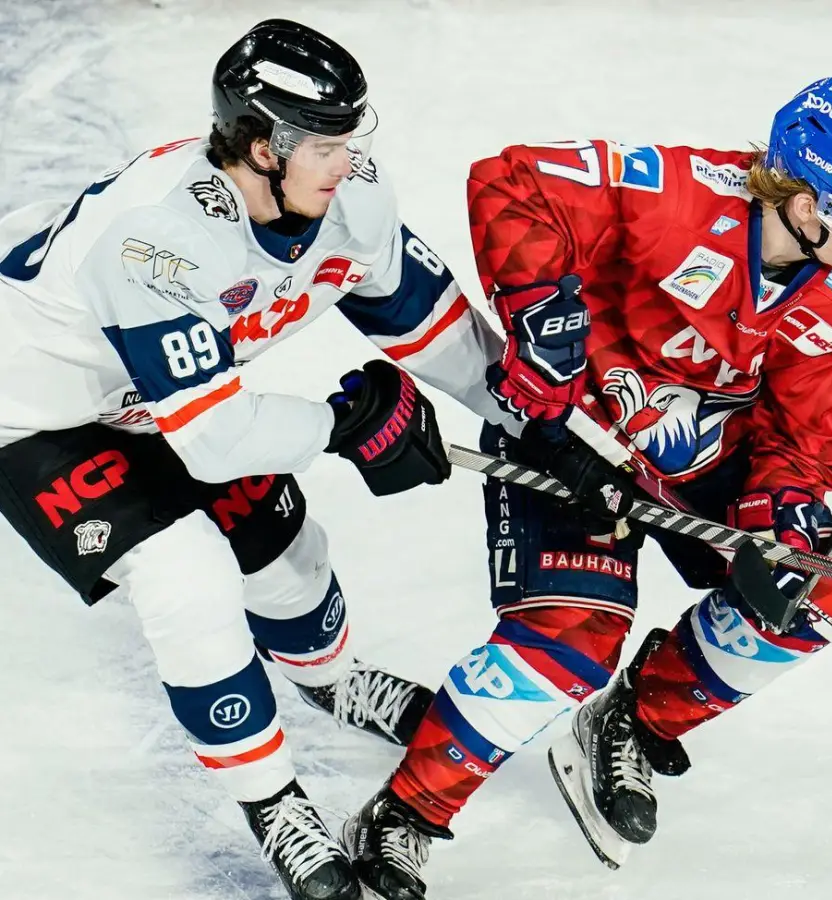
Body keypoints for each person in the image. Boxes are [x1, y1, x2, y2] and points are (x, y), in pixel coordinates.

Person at [342, 77, 832, 898]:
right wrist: (543, 316)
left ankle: (634, 721)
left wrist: (784, 515)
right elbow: (511, 181)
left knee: (811, 595)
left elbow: (805, 446)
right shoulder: (676, 195)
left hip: (698, 472)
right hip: (568, 441)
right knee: (567, 643)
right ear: (803, 201)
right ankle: (401, 817)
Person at [0, 20, 514, 900]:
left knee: (287, 557)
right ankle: (274, 803)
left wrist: (543, 426)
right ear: (255, 144)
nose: (344, 161)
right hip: (39, 419)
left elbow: (430, 328)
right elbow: (215, 440)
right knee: (189, 575)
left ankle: (335, 684)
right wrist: (346, 426)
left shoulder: (350, 196)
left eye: (349, 138)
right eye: (321, 143)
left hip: (170, 402)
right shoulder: (157, 238)